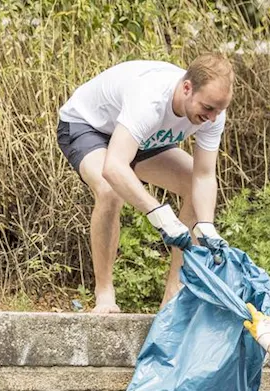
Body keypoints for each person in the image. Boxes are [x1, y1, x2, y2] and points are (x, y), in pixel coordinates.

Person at [57, 55, 234, 313]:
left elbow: (204, 175)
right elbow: (114, 166)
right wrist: (159, 213)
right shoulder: (150, 98)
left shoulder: (213, 113)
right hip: (89, 127)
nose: (212, 118)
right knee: (110, 190)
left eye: (218, 111)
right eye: (207, 108)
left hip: (142, 139)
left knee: (193, 188)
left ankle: (174, 296)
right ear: (187, 88)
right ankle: (105, 295)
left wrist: (206, 227)